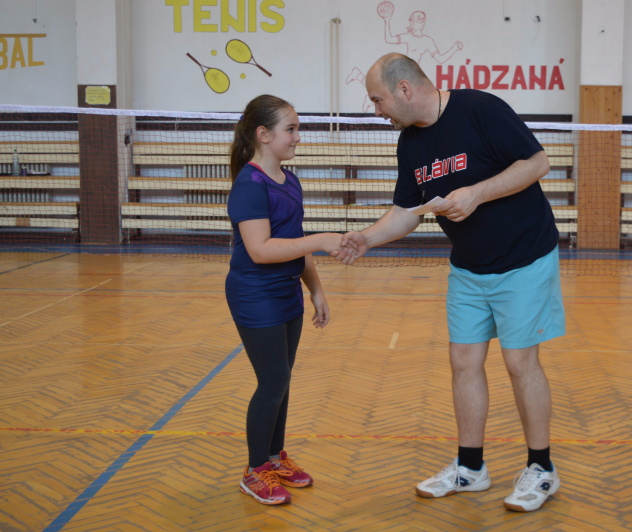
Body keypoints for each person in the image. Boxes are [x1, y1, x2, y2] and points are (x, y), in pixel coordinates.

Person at [337, 53, 566, 512]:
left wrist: (477, 193)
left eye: (378, 99)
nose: (377, 110)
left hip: (524, 258)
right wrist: (366, 239)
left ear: (404, 89)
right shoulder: (410, 144)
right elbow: (406, 213)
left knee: (520, 362)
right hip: (468, 267)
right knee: (463, 361)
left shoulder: (480, 109)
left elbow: (537, 163)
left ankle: (542, 469)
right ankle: (470, 468)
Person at [226, 94, 350, 505]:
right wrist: (321, 239)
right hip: (254, 293)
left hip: (286, 292)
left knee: (282, 378)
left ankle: (275, 457)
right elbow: (261, 250)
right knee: (273, 381)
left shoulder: (290, 180)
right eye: (291, 129)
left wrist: (316, 290)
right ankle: (254, 470)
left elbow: (294, 243)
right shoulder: (249, 186)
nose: (298, 137)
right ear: (263, 134)